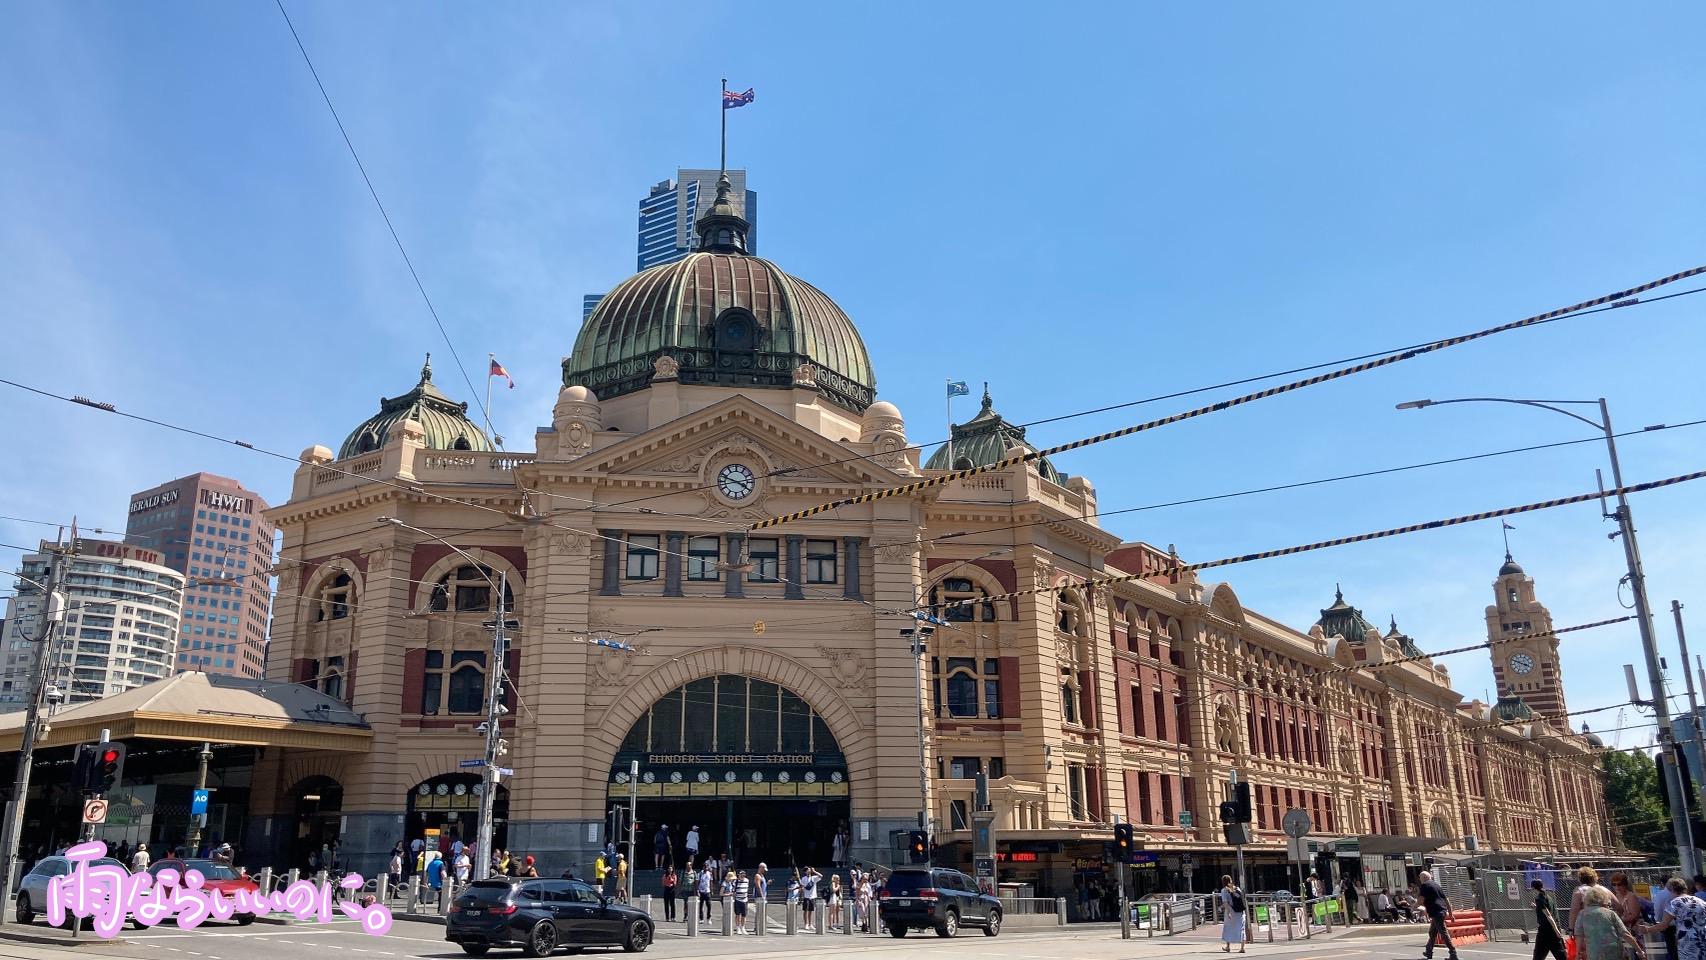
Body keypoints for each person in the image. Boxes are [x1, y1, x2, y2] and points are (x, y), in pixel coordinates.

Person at [1643, 878, 1706, 960]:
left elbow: (1663, 925)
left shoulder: (1675, 903)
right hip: (1703, 938)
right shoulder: (1700, 901)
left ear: (1671, 890)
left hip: (1687, 942)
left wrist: (1647, 929)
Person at [1577, 886, 1643, 960]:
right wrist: (1639, 950)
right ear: (1604, 898)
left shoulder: (1582, 914)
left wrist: (1578, 953)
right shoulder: (1610, 913)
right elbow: (1625, 933)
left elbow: (1579, 935)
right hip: (1614, 951)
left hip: (1594, 952)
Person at [1418, 870, 1458, 960]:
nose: (1420, 880)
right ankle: (1428, 952)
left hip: (1436, 912)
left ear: (1423, 878)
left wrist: (1415, 906)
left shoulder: (1425, 885)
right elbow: (1446, 900)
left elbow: (1421, 899)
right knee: (1432, 932)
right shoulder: (1437, 885)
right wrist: (1450, 914)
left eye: (1420, 878)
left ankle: (1453, 953)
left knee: (1443, 933)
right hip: (1441, 911)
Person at [1531, 879, 1567, 960]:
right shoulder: (1548, 897)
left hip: (1545, 930)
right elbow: (1547, 910)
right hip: (1553, 930)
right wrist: (1536, 907)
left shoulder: (1539, 899)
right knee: (1560, 954)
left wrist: (1556, 931)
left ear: (1534, 888)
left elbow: (1548, 915)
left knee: (1538, 954)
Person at [1572, 867, 1612, 932]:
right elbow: (1618, 906)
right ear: (1595, 877)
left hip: (1587, 925)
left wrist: (1571, 928)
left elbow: (1574, 910)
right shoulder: (1603, 889)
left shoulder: (1579, 891)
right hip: (1605, 923)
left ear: (1580, 878)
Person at [1654, 876, 1681, 960]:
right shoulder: (1679, 893)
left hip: (1668, 926)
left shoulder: (1660, 894)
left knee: (1672, 950)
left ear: (1662, 884)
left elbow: (1657, 910)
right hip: (1681, 925)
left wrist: (1658, 921)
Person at [1219, 875, 1247, 953]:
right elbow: (1242, 899)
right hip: (1240, 912)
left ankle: (1228, 946)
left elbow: (1225, 903)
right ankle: (1242, 948)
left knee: (1228, 928)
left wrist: (1228, 913)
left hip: (1231, 911)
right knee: (1241, 928)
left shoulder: (1224, 890)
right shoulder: (1236, 888)